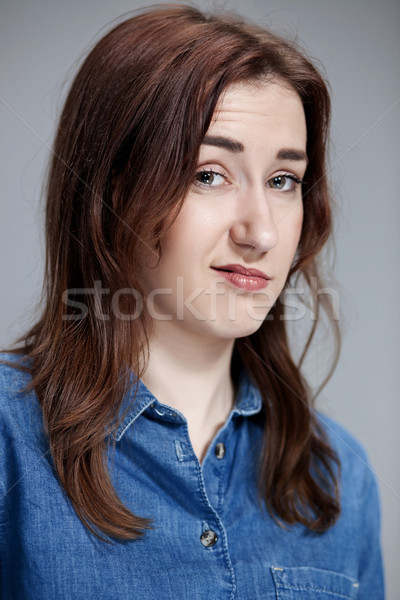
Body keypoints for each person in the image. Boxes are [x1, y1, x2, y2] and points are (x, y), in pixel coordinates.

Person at [0, 5, 384, 599]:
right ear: (110, 193)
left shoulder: (337, 477)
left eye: (283, 181)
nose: (260, 232)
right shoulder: (9, 441)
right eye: (210, 174)